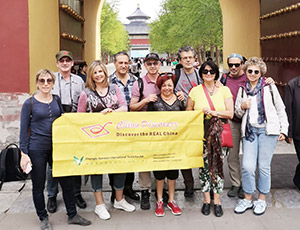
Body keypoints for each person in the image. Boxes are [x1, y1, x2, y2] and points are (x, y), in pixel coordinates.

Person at [19, 69, 91, 230]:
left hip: (57, 147)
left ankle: (72, 215)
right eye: (42, 81)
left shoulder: (56, 99)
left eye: (49, 81)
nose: (45, 84)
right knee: (38, 185)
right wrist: (23, 153)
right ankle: (43, 217)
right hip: (36, 148)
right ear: (37, 83)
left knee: (67, 182)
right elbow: (23, 130)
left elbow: (63, 120)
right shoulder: (29, 103)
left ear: (52, 83)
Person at [77, 60, 135, 220]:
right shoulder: (86, 93)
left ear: (105, 73)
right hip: (96, 138)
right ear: (91, 75)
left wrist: (113, 113)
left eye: (101, 71)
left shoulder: (114, 88)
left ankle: (119, 199)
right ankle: (99, 204)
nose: (98, 75)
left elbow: (124, 107)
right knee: (97, 169)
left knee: (119, 165)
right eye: (95, 72)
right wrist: (98, 116)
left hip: (116, 136)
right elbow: (80, 117)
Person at [234, 57, 288, 216]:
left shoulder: (270, 87)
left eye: (256, 71)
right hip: (250, 132)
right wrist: (242, 106)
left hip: (267, 131)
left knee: (264, 167)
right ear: (246, 71)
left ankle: (262, 199)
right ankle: (247, 198)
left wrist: (284, 130)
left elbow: (280, 109)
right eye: (249, 71)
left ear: (261, 73)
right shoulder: (242, 89)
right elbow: (238, 111)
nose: (252, 73)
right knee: (247, 166)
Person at [219, 53, 274, 199]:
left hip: (250, 123)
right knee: (233, 155)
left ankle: (248, 185)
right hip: (232, 120)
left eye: (237, 64)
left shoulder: (252, 76)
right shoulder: (224, 79)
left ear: (243, 64)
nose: (234, 67)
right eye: (231, 65)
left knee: (251, 158)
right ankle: (237, 184)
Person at [186, 61, 234, 217]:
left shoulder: (224, 90)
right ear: (201, 73)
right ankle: (206, 200)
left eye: (211, 71)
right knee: (204, 169)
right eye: (205, 71)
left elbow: (230, 113)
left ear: (216, 73)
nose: (208, 74)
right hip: (202, 133)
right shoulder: (194, 91)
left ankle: (217, 201)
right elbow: (188, 113)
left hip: (219, 133)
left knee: (218, 166)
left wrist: (213, 112)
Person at [47, 50, 86, 213]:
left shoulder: (79, 81)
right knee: (53, 162)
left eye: (67, 61)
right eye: (61, 61)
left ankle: (76, 193)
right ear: (57, 63)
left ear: (72, 63)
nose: (64, 63)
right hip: (55, 123)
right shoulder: (51, 80)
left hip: (74, 122)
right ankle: (51, 195)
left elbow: (83, 101)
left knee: (76, 158)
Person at [147, 72, 184, 217]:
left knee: (173, 173)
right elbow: (148, 123)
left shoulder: (180, 100)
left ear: (174, 86)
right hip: (159, 144)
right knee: (160, 173)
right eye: (164, 85)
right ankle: (160, 200)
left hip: (175, 143)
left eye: (170, 85)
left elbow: (187, 118)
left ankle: (172, 200)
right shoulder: (154, 102)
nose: (167, 88)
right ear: (159, 87)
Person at [129, 53, 162, 210]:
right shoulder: (139, 83)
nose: (152, 66)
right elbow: (132, 107)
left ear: (159, 64)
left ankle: (161, 191)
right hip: (144, 127)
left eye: (155, 63)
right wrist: (146, 100)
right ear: (145, 65)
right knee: (144, 159)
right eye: (149, 63)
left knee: (161, 158)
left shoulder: (167, 81)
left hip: (163, 128)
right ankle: (145, 191)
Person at [109, 51, 140, 202]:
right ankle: (114, 189)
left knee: (130, 158)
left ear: (130, 64)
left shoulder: (136, 80)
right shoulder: (108, 81)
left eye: (126, 63)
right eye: (120, 63)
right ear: (115, 64)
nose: (123, 66)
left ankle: (128, 187)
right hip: (114, 126)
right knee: (114, 159)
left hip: (132, 126)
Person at [174, 45, 203, 197]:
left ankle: (206, 182)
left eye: (190, 57)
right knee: (184, 152)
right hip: (182, 118)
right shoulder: (175, 75)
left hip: (200, 118)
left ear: (194, 59)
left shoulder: (202, 75)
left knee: (202, 151)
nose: (188, 60)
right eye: (184, 58)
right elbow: (166, 90)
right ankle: (189, 184)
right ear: (179, 60)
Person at [285, 76, 300, 190]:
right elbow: (288, 110)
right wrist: (288, 132)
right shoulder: (292, 84)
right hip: (298, 131)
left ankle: (298, 179)